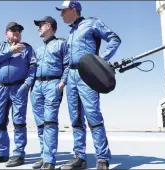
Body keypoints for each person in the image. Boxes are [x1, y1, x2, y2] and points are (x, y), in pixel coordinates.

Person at [55, 1, 122, 169]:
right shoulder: (70, 33)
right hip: (71, 77)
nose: (61, 14)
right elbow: (69, 62)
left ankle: (102, 158)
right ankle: (79, 157)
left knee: (93, 116)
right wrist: (64, 80)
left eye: (64, 11)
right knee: (76, 118)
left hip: (87, 75)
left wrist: (100, 61)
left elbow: (114, 39)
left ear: (74, 10)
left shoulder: (91, 23)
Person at [0, 22, 37, 167]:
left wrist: (27, 85)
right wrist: (11, 51)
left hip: (18, 87)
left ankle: (19, 154)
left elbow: (33, 67)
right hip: (1, 89)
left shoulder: (27, 48)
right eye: (13, 31)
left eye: (19, 31)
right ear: (6, 33)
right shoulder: (0, 47)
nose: (17, 33)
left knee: (19, 121)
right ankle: (2, 153)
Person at [31, 16, 69, 170]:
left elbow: (68, 64)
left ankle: (49, 159)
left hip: (53, 84)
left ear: (49, 26)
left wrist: (62, 83)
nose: (38, 28)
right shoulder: (39, 49)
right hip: (37, 86)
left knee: (49, 122)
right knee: (40, 124)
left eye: (40, 25)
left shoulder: (61, 44)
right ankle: (43, 155)